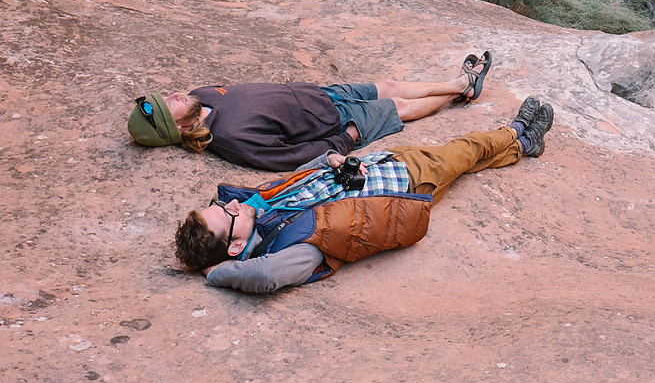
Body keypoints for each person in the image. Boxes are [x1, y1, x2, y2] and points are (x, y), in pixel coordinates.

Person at [173, 97, 555, 293]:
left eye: (221, 204)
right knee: (466, 149)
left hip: (383, 161)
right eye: (229, 214)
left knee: (465, 163)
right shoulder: (294, 249)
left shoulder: (263, 210)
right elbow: (267, 275)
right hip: (407, 185)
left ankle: (524, 147)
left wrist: (332, 158)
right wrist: (217, 274)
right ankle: (516, 129)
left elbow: (303, 178)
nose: (234, 203)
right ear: (237, 247)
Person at [128, 51, 492, 171]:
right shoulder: (230, 140)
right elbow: (294, 157)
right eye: (169, 103)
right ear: (176, 126)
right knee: (399, 107)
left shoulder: (200, 93)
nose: (174, 94)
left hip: (321, 95)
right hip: (338, 123)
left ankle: (459, 85)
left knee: (391, 85)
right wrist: (345, 140)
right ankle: (462, 87)